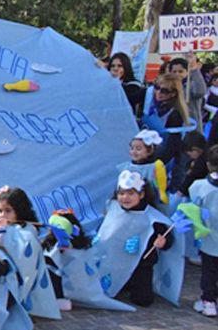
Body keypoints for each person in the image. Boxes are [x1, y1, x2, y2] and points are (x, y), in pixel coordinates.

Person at [93, 170, 184, 307]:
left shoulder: (151, 216)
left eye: (131, 193)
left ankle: (132, 284)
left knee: (143, 300)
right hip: (115, 261)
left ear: (141, 194)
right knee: (106, 288)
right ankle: (124, 283)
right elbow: (105, 229)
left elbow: (167, 237)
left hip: (142, 264)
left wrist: (163, 242)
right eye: (122, 193)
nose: (125, 198)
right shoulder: (114, 209)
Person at [0, 186, 60, 318]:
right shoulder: (6, 229)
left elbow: (23, 259)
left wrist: (6, 231)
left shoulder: (27, 232)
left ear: (19, 210)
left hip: (19, 282)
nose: (2, 215)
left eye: (8, 211)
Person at [141, 73, 192, 169]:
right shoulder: (151, 104)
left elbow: (172, 146)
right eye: (157, 87)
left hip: (162, 160)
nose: (159, 92)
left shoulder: (175, 114)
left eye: (164, 91)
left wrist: (155, 164)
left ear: (173, 93)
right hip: (146, 153)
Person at [189, 145, 218, 316]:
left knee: (208, 271)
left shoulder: (200, 187)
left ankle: (208, 301)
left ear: (208, 165)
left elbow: (194, 208)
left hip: (208, 238)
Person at [168, 56, 206, 133]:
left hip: (191, 130)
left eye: (180, 71)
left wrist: (194, 69)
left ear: (187, 72)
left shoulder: (191, 86)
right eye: (174, 71)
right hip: (171, 130)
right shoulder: (166, 89)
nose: (177, 74)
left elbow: (200, 92)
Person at [107, 53, 145, 119]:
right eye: (112, 66)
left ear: (126, 67)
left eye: (119, 66)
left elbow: (126, 100)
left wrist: (116, 82)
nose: (115, 69)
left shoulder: (134, 85)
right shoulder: (106, 84)